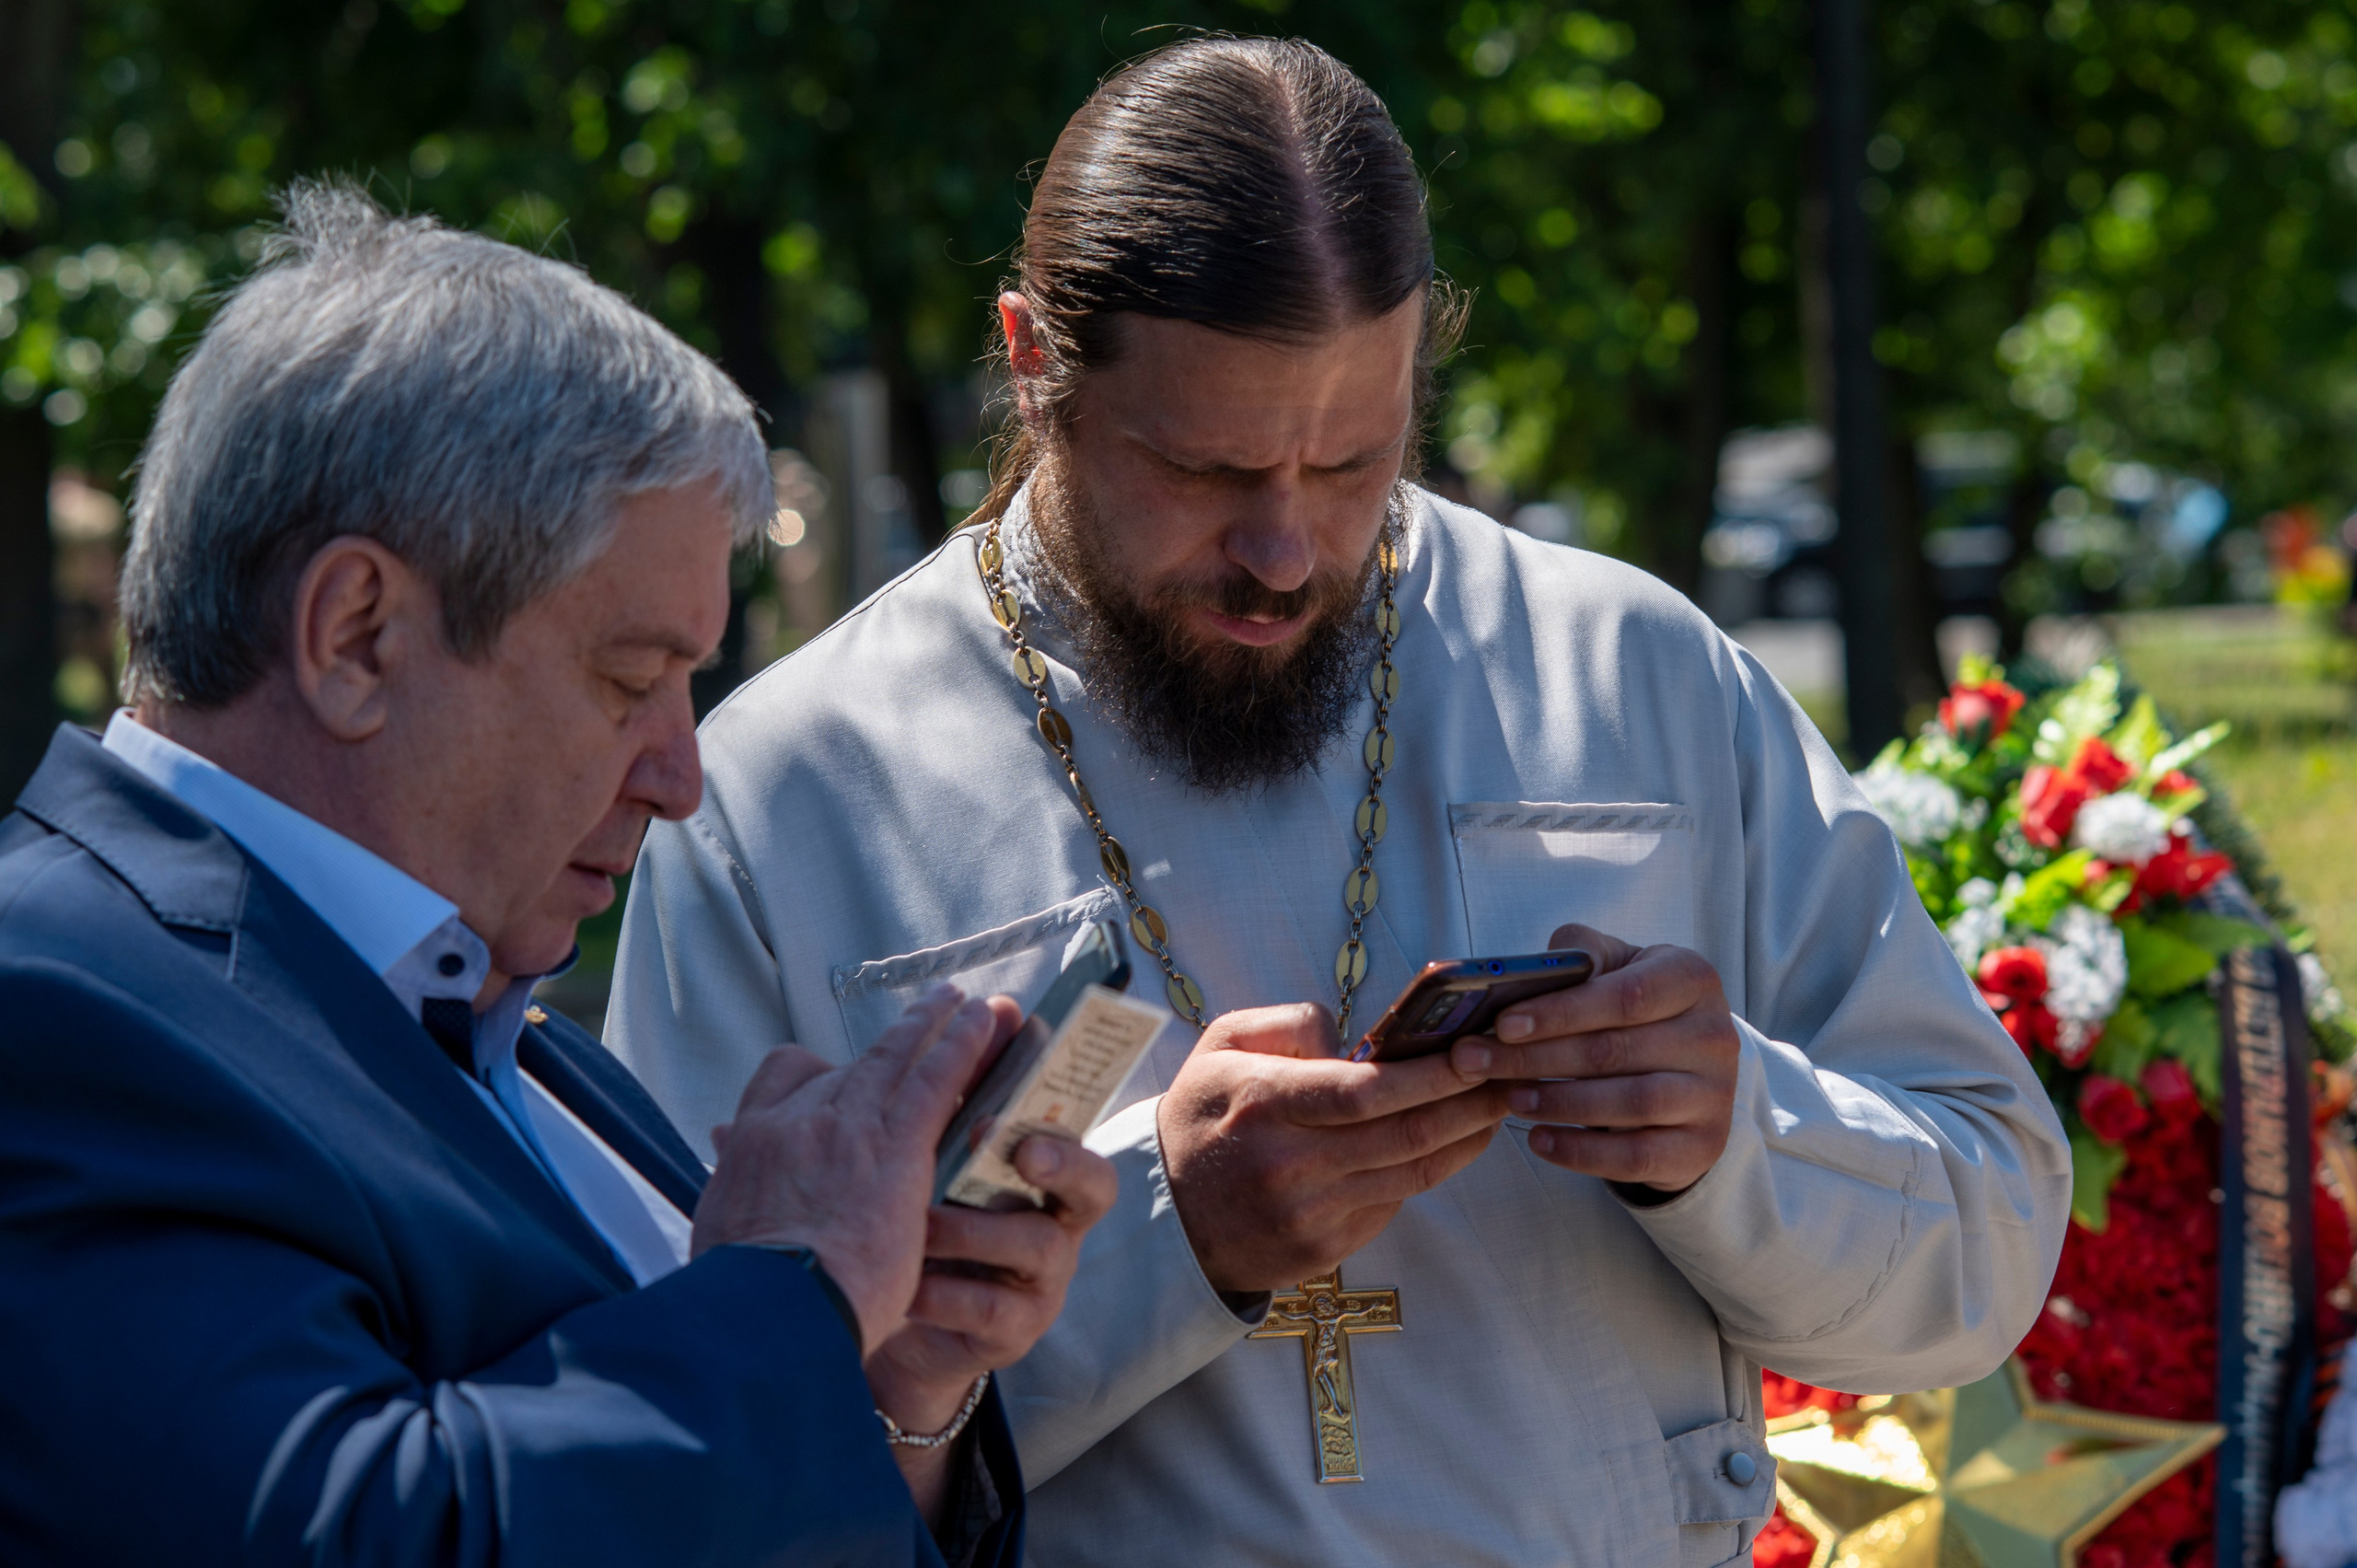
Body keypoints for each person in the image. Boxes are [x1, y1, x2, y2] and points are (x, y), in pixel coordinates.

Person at [609, 37, 2073, 1567]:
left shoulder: (1635, 674)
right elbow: (699, 1439)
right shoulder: (788, 792)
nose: (1288, 550)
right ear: (1033, 359)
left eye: (1354, 460)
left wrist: (1731, 1136)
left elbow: (1983, 1256)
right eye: (1207, 469)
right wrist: (1170, 1234)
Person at [0, 183, 1118, 1568]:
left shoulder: (507, 1031)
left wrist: (896, 1392)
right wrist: (800, 1287)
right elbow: (370, 1538)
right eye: (630, 679)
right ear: (356, 635)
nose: (678, 772)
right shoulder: (52, 1006)